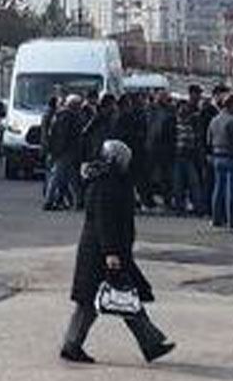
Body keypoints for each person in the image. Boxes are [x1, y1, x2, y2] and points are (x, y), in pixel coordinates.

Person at [60, 139, 174, 365]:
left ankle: (150, 344)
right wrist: (111, 252)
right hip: (102, 253)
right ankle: (73, 345)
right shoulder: (105, 184)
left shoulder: (109, 180)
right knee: (113, 300)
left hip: (106, 251)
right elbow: (104, 222)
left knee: (121, 298)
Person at [207, 92, 233, 229]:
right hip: (232, 156)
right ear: (231, 105)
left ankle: (216, 218)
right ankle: (232, 219)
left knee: (218, 188)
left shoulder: (214, 120)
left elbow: (208, 139)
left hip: (217, 155)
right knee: (232, 189)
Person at [45, 95, 85, 210]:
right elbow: (63, 136)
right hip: (66, 151)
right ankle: (50, 200)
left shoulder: (63, 116)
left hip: (66, 151)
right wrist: (59, 151)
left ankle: (75, 200)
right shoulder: (68, 116)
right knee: (59, 176)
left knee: (68, 177)